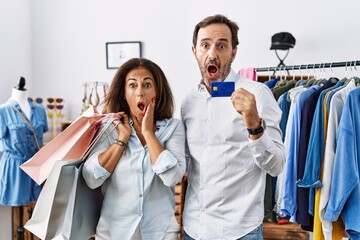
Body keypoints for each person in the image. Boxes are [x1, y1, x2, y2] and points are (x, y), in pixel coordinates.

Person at [181, 15, 286, 240]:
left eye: (222, 45)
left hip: (240, 231)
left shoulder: (258, 94)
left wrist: (255, 126)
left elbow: (276, 166)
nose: (212, 53)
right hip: (194, 228)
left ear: (234, 52)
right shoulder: (187, 101)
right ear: (194, 51)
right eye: (205, 45)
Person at [82, 58, 186, 240]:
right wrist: (121, 140)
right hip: (113, 232)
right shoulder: (109, 127)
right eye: (132, 86)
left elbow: (171, 177)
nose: (140, 93)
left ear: (157, 92)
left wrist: (148, 133)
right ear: (123, 93)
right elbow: (91, 178)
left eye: (147, 85)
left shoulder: (173, 128)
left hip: (160, 232)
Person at [0, 77, 48, 206]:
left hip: (36, 167)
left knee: (37, 207)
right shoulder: (3, 111)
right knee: (18, 208)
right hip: (15, 169)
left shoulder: (40, 110)